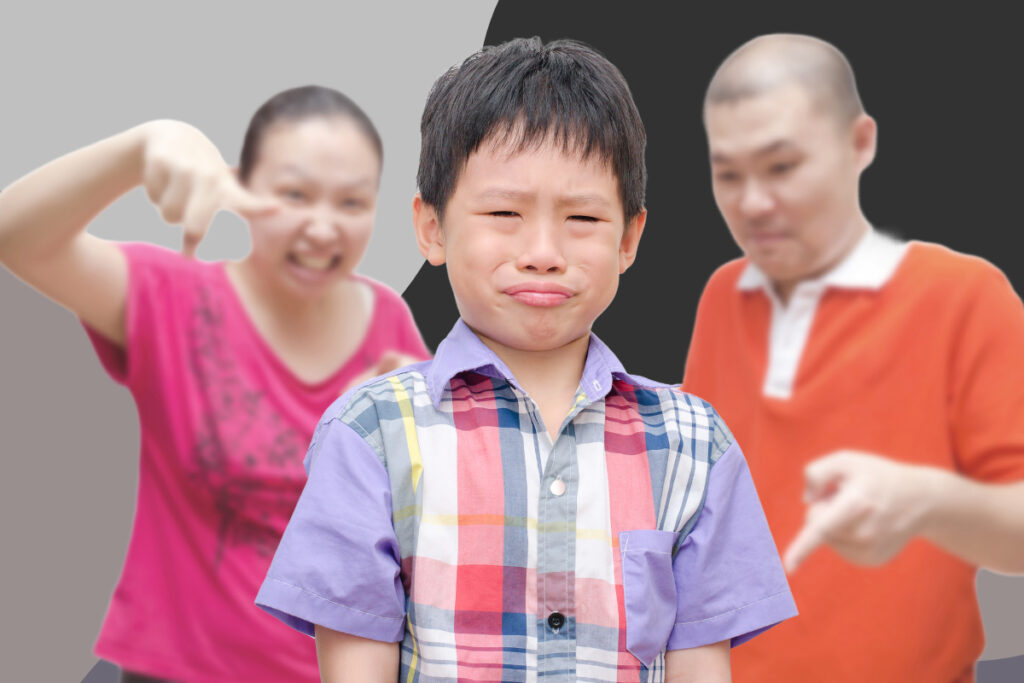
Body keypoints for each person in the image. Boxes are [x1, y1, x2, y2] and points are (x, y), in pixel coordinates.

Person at [255, 37, 797, 682]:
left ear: (629, 238)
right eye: (504, 212)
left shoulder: (695, 444)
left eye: (583, 218)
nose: (543, 250)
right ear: (431, 228)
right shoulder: (371, 436)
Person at [0, 85, 430, 682]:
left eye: (352, 203)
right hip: (179, 671)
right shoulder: (171, 300)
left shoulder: (387, 319)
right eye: (294, 195)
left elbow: (412, 528)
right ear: (240, 189)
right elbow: (15, 235)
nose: (322, 227)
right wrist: (143, 145)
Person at [681, 34, 1024, 682]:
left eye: (781, 166)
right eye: (727, 173)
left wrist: (928, 499)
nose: (752, 202)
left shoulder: (965, 296)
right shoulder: (722, 295)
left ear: (860, 142)